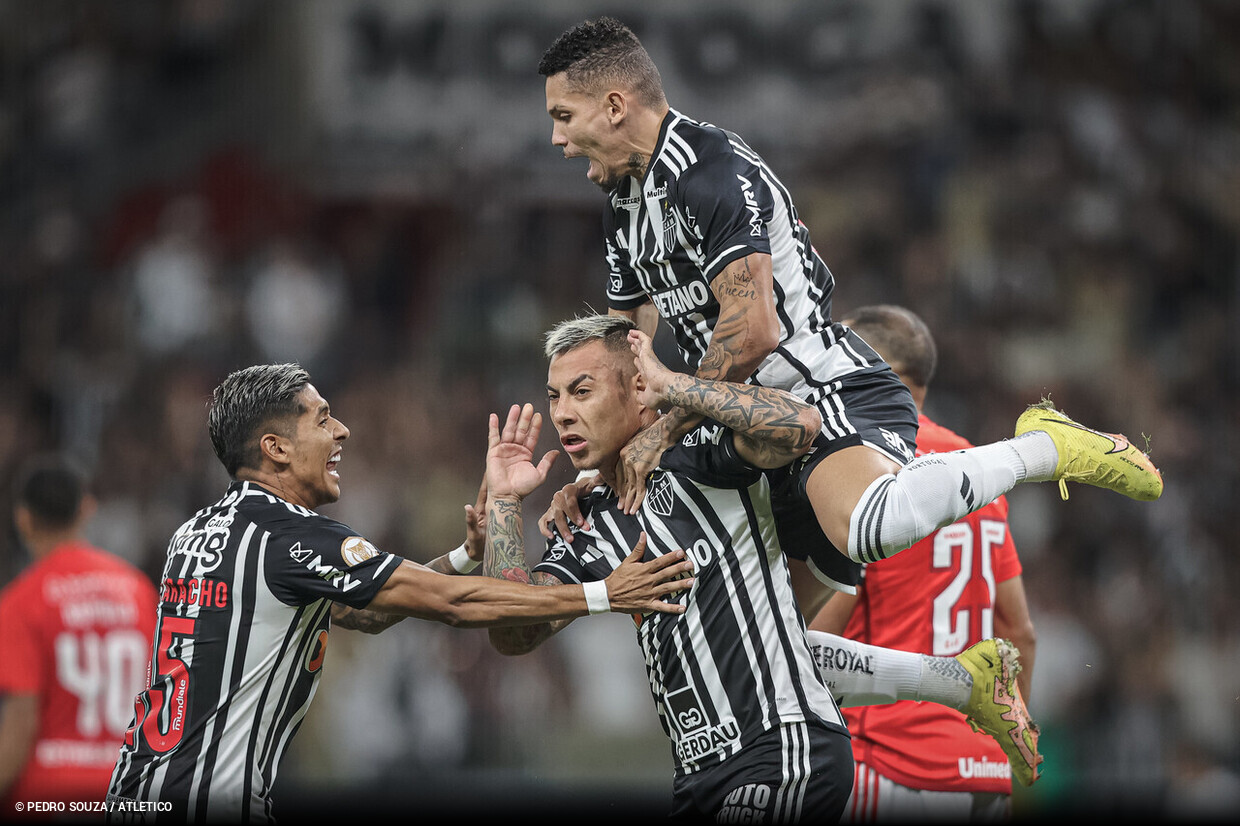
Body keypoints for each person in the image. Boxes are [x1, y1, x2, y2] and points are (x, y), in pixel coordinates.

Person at [536, 16, 1163, 620]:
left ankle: (1045, 446)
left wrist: (661, 430)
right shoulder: (623, 202)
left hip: (822, 393)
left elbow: (753, 332)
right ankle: (962, 683)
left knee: (870, 526)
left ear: (615, 105)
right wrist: (598, 462)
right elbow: (621, 352)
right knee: (777, 637)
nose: (558, 140)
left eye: (564, 117)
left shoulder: (710, 173)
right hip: (726, 421)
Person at [105, 362, 693, 824]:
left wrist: (465, 553)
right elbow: (453, 604)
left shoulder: (199, 532)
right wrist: (602, 593)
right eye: (321, 418)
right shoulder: (288, 535)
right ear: (275, 448)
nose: (342, 430)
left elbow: (351, 614)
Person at [483, 314, 853, 822]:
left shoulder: (699, 454)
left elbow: (802, 424)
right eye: (555, 397)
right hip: (698, 777)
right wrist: (503, 502)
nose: (563, 413)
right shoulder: (583, 523)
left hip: (779, 747)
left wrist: (675, 394)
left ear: (638, 388)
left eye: (581, 392)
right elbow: (512, 635)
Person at [809, 305, 1039, 819]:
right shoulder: (979, 473)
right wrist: (1009, 750)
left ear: (866, 368)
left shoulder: (868, 470)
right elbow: (1021, 633)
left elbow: (822, 634)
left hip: (890, 760)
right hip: (983, 773)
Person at [0, 455, 158, 812]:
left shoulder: (21, 602)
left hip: (48, 796)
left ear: (23, 519)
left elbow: (19, 725)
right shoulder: (138, 591)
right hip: (129, 791)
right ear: (86, 510)